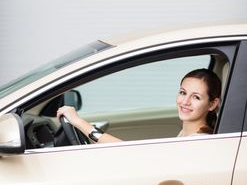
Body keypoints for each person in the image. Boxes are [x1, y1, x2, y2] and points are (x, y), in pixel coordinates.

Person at [56, 68, 221, 143]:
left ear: (212, 104)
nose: (185, 102)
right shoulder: (187, 134)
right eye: (183, 93)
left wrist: (79, 122)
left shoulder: (199, 142)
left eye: (196, 97)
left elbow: (134, 155)